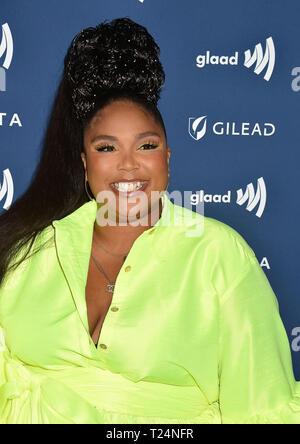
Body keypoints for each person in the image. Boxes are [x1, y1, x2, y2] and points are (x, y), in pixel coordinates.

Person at [0, 17, 300, 425]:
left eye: (146, 144)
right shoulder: (30, 253)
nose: (128, 165)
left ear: (167, 158)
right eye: (107, 147)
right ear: (85, 163)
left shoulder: (218, 254)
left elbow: (263, 407)